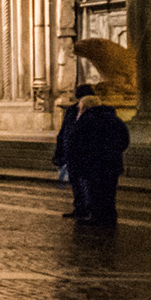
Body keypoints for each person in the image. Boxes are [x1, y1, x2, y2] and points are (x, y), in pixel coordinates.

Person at [65, 94, 129, 226]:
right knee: (109, 193)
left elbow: (75, 142)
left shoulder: (86, 120)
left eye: (80, 107)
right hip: (112, 164)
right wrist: (114, 152)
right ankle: (110, 217)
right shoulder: (114, 119)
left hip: (92, 164)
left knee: (95, 192)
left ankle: (97, 217)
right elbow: (124, 140)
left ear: (85, 107)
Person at [51, 82, 90, 217]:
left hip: (88, 156)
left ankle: (92, 211)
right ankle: (79, 209)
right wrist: (60, 153)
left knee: (89, 185)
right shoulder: (72, 111)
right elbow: (64, 133)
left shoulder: (97, 112)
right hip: (73, 155)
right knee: (76, 184)